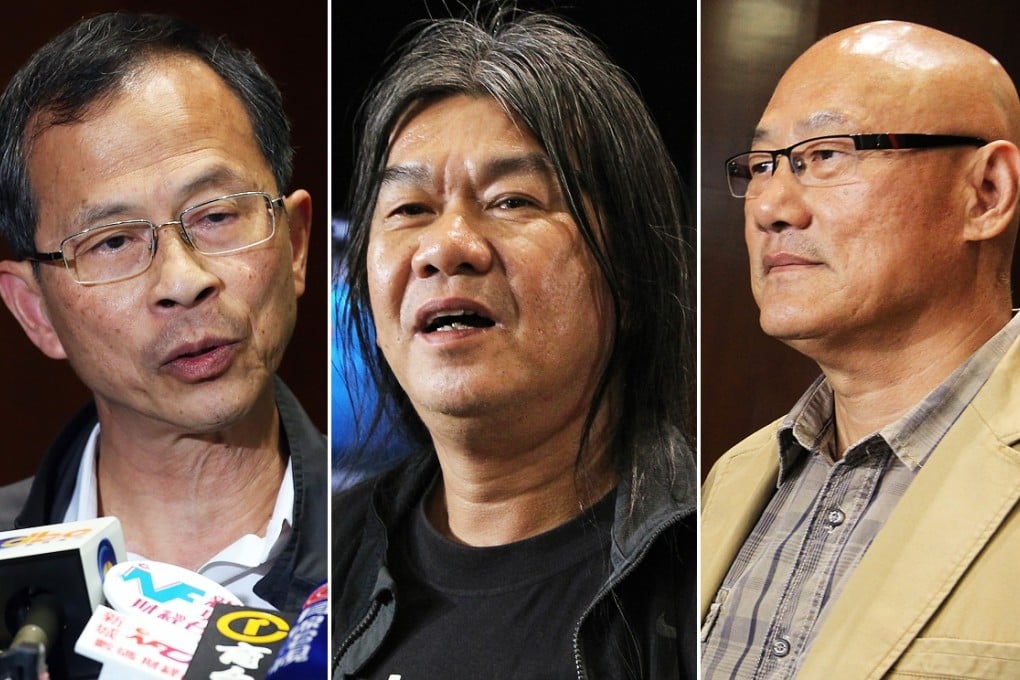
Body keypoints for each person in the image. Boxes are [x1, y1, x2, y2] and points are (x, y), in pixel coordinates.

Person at [331, 9, 696, 680]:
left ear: (637, 274)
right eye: (409, 209)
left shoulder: (717, 570)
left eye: (514, 201)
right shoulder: (315, 560)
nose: (445, 248)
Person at [701, 20, 1020, 679]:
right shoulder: (732, 479)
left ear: (986, 192)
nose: (771, 207)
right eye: (762, 165)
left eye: (826, 155)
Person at [0, 12, 325, 612]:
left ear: (297, 244)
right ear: (35, 311)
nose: (182, 281)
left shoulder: (397, 549)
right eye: (113, 241)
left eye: (217, 215)